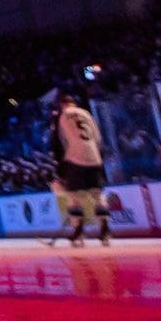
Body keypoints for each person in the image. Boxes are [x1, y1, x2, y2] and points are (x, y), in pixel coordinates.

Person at [47, 95, 110, 247]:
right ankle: (105, 229)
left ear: (62, 105)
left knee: (73, 194)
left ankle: (78, 230)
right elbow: (98, 137)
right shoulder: (86, 113)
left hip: (74, 158)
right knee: (97, 193)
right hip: (94, 156)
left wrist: (60, 166)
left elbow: (58, 142)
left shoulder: (60, 116)